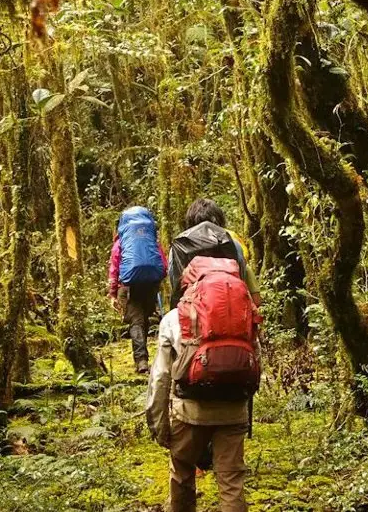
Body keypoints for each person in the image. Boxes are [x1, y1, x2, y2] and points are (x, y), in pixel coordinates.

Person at [146, 198, 262, 512]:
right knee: (232, 483)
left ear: (185, 275)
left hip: (189, 411)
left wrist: (158, 425)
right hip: (234, 407)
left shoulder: (173, 319)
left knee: (182, 475)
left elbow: (160, 378)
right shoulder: (244, 311)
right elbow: (256, 360)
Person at [165, 198, 261, 309]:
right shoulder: (234, 245)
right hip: (230, 310)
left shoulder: (179, 246)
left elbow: (176, 283)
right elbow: (241, 278)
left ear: (190, 223)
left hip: (192, 314)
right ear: (220, 221)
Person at [108, 206, 168, 374]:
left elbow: (114, 268)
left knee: (136, 322)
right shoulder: (151, 239)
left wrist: (113, 293)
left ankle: (141, 361)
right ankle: (149, 359)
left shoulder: (121, 243)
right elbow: (163, 264)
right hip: (150, 285)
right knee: (144, 320)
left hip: (128, 287)